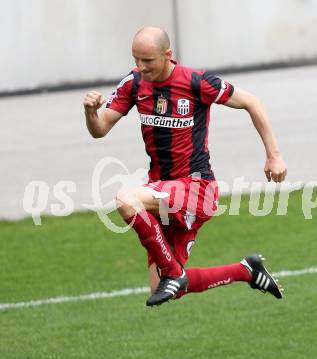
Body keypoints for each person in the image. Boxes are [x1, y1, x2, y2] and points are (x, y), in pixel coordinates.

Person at [83, 26, 287, 307]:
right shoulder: (134, 84)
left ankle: (173, 272)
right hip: (162, 193)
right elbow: (100, 129)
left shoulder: (196, 82)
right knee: (162, 288)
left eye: (148, 61)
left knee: (126, 200)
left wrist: (273, 155)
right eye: (135, 60)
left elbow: (252, 101)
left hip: (196, 188)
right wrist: (90, 112)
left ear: (168, 55)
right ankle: (246, 271)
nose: (140, 68)